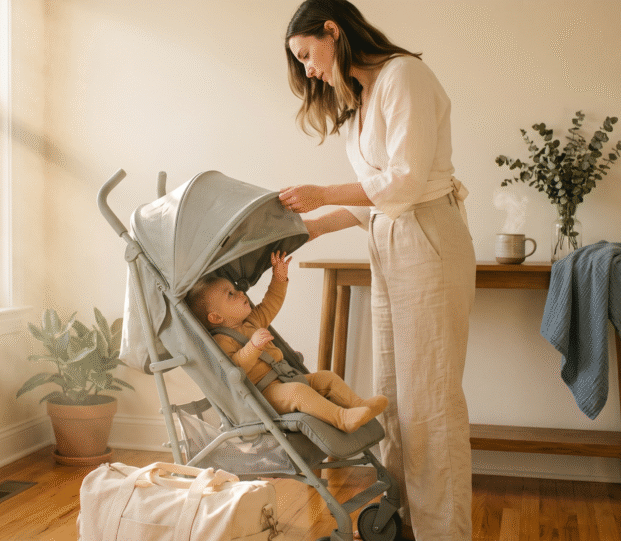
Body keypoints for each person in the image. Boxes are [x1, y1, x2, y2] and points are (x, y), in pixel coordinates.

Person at [279, 1, 476, 540]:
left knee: (430, 400)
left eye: (306, 55)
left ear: (332, 30)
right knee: (394, 393)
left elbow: (406, 183)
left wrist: (321, 191)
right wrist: (316, 225)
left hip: (429, 236)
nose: (308, 70)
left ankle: (446, 533)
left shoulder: (403, 76)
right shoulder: (361, 98)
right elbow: (377, 198)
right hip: (390, 241)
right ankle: (409, 521)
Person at [186, 251, 388, 433]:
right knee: (298, 392)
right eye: (230, 295)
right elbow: (235, 369)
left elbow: (271, 302)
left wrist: (279, 278)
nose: (241, 293)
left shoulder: (253, 321)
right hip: (266, 393)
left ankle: (359, 405)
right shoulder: (221, 341)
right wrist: (252, 347)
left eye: (235, 289)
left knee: (326, 378)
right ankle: (342, 419)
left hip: (287, 376)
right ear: (216, 318)